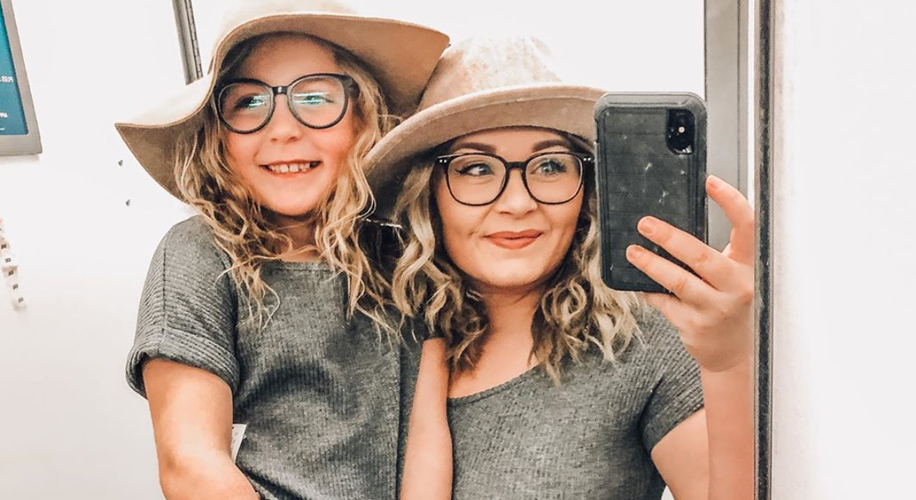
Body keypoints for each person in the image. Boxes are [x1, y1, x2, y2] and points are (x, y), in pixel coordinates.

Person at [367, 36, 754, 500]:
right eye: (475, 169)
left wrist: (728, 362)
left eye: (550, 166)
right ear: (429, 195)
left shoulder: (641, 341)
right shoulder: (376, 340)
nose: (517, 202)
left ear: (586, 188)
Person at [116, 2, 452, 499]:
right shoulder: (198, 255)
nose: (283, 129)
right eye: (249, 102)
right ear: (219, 136)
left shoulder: (407, 253)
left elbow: (428, 436)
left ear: (363, 118)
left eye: (315, 97)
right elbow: (191, 464)